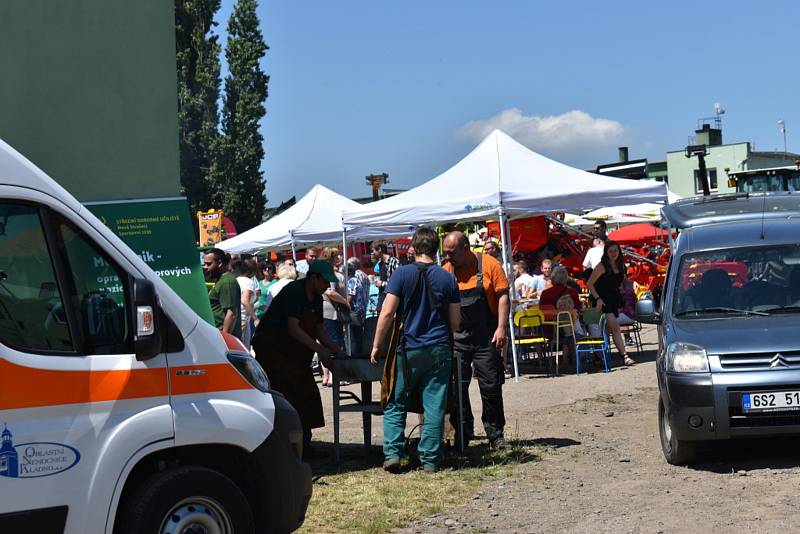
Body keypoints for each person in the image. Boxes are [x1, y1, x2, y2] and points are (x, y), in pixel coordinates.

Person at [370, 228, 460, 473]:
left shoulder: (401, 274)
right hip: (439, 347)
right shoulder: (447, 278)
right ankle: (430, 459)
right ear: (436, 249)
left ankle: (393, 454)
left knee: (396, 401)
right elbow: (455, 322)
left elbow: (387, 313)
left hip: (407, 348)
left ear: (414, 248)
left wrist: (377, 345)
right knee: (434, 405)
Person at [252, 261, 347, 457]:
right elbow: (293, 328)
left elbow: (319, 329)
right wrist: (321, 351)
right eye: (324, 282)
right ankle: (286, 448)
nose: (327, 287)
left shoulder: (317, 299)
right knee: (286, 396)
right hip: (274, 350)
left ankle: (305, 444)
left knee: (307, 394)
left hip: (295, 354)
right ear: (313, 278)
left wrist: (339, 351)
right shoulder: (294, 292)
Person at [443, 231, 511, 450]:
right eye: (445, 253)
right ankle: (462, 433)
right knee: (457, 389)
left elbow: (503, 296)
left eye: (451, 253)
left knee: (490, 385)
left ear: (465, 248)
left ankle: (495, 434)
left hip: (486, 336)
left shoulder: (490, 265)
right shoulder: (446, 272)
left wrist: (501, 328)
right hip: (457, 339)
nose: (448, 257)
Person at [587, 240, 635, 366]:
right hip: (602, 300)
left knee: (608, 329)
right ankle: (624, 356)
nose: (613, 253)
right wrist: (597, 298)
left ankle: (598, 355)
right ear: (606, 253)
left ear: (619, 251)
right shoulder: (601, 266)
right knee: (615, 327)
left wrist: (634, 284)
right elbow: (590, 284)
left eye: (615, 250)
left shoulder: (621, 266)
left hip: (613, 299)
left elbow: (622, 280)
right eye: (610, 251)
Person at [540, 266, 583, 366]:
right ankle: (575, 353)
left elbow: (541, 311)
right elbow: (578, 309)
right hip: (570, 328)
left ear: (553, 279)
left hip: (549, 329)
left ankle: (566, 352)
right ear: (566, 279)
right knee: (579, 326)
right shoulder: (572, 292)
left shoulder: (545, 293)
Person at [320, 247, 350, 386]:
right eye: (337, 256)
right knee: (334, 343)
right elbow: (330, 292)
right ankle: (335, 376)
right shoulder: (328, 272)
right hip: (330, 313)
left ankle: (328, 376)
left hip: (325, 312)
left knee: (328, 344)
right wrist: (345, 302)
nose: (340, 258)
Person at [203, 248, 242, 339]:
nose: (205, 267)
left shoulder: (227, 282)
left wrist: (224, 339)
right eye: (204, 263)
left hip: (223, 338)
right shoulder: (222, 280)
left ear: (219, 263)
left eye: (209, 264)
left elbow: (231, 314)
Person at [346, 257, 370, 356]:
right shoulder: (364, 275)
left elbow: (351, 295)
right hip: (362, 308)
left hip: (354, 310)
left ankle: (356, 355)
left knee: (354, 336)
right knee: (358, 334)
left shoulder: (353, 279)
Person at [233, 257, 258, 348]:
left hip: (237, 318)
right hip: (243, 319)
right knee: (243, 348)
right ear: (252, 271)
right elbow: (244, 301)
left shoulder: (236, 279)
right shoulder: (249, 282)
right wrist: (255, 318)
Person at [371, 242, 400, 312]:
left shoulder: (393, 262)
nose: (372, 253)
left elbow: (398, 283)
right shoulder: (380, 263)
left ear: (379, 249)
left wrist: (382, 284)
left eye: (373, 251)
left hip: (391, 303)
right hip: (382, 302)